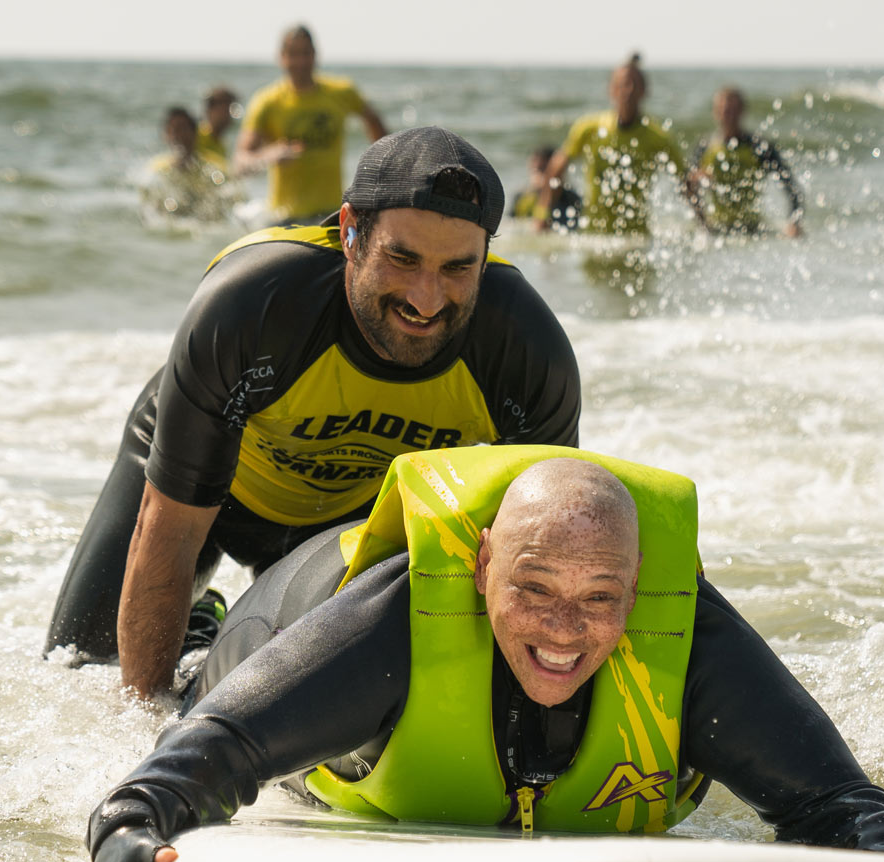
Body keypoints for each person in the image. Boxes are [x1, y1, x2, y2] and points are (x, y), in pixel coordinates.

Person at [84, 448, 884, 862]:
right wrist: (131, 828)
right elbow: (213, 750)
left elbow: (836, 800)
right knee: (196, 682)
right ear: (484, 561)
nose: (566, 629)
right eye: (533, 588)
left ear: (637, 586)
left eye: (599, 598)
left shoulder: (690, 643)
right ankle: (204, 627)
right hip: (284, 620)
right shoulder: (392, 632)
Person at [44, 127, 582, 703]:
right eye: (403, 258)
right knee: (83, 674)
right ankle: (199, 626)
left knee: (306, 689)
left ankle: (208, 636)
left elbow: (549, 551)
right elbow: (171, 528)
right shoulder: (255, 302)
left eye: (457, 268)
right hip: (214, 489)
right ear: (351, 232)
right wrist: (145, 725)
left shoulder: (524, 348)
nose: (427, 299)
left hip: (347, 519)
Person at [235, 26, 388, 225]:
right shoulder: (267, 102)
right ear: (281, 57)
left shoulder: (342, 92)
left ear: (315, 55)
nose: (300, 62)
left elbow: (375, 123)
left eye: (305, 53)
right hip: (284, 218)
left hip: (332, 212)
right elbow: (240, 162)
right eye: (293, 54)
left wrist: (382, 171)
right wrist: (268, 155)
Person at [544, 55, 698, 237]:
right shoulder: (589, 128)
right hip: (594, 237)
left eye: (634, 84)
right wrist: (542, 216)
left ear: (645, 91)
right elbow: (556, 169)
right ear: (611, 90)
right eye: (622, 84)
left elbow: (685, 182)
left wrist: (704, 225)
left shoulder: (659, 137)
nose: (628, 90)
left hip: (636, 239)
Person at [691, 86, 804, 239]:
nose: (729, 116)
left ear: (743, 112)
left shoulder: (760, 147)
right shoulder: (705, 147)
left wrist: (794, 223)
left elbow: (791, 187)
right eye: (725, 110)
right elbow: (687, 187)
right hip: (717, 229)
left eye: (734, 110)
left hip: (752, 229)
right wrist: (703, 223)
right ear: (716, 112)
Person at [143, 105, 233, 223]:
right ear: (165, 135)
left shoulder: (215, 168)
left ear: (195, 133)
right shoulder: (156, 170)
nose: (179, 135)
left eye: (183, 129)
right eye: (173, 130)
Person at [510, 146, 581, 232]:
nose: (537, 176)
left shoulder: (572, 199)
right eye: (535, 170)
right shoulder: (521, 197)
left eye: (543, 169)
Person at [197, 86, 239, 163]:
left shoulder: (222, 145)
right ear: (210, 109)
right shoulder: (196, 137)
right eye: (227, 107)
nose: (231, 113)